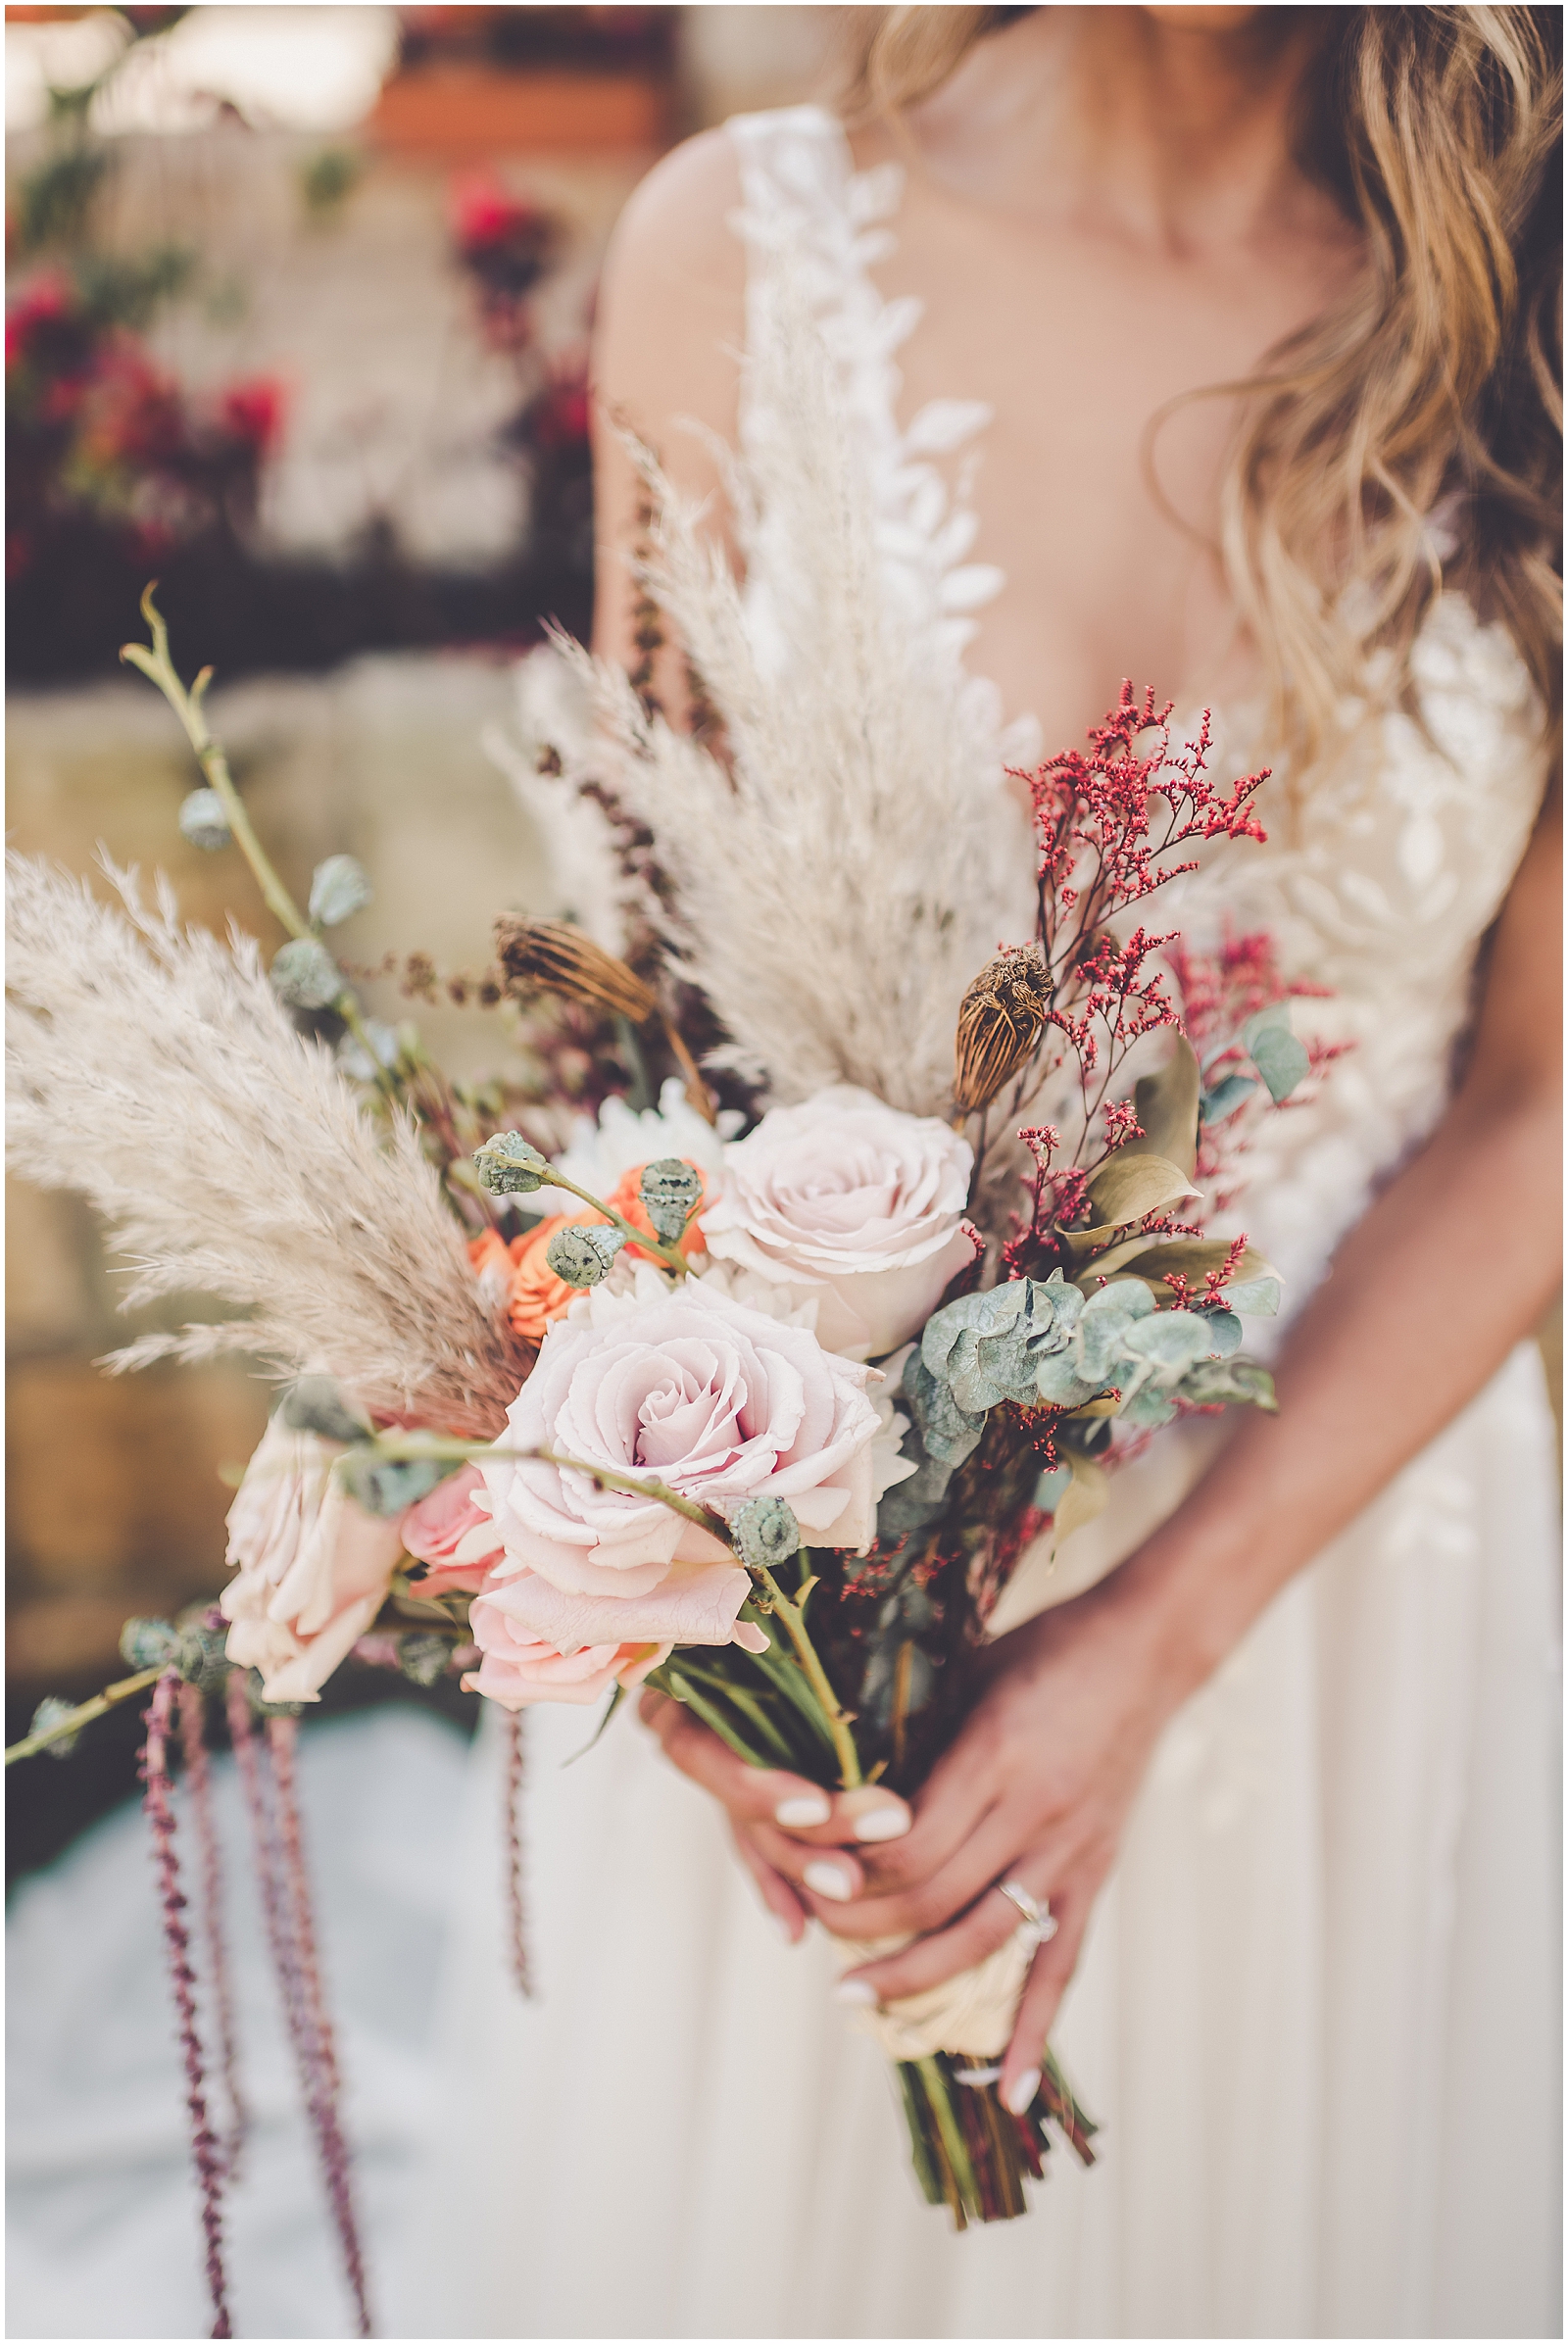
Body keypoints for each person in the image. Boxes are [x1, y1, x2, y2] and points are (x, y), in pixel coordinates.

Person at [400, 11, 1560, 2335]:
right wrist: (703, 1652)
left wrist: (1158, 1634)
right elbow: (665, 1060)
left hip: (1341, 1578)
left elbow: (1537, 1087)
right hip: (859, 1645)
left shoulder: (1520, 310)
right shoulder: (748, 249)